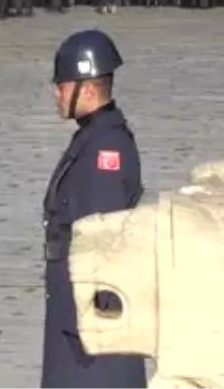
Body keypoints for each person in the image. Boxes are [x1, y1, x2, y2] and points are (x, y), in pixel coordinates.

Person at [41, 30, 146, 389]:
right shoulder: (92, 137)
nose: (56, 93)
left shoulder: (106, 150)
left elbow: (104, 237)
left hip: (90, 330)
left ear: (87, 89)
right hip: (74, 316)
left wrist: (99, 326)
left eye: (62, 85)